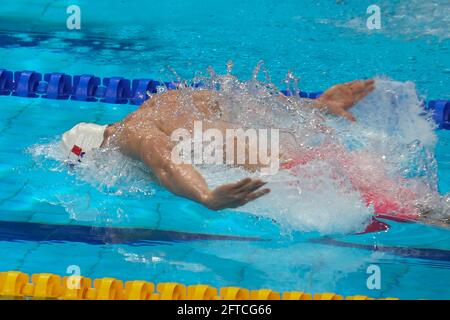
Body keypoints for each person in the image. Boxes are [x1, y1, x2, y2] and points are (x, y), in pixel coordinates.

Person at [61, 79, 375, 211]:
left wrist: (206, 195)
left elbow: (166, 164)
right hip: (319, 156)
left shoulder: (133, 133)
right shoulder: (167, 101)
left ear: (99, 149)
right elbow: (249, 103)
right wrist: (317, 106)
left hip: (301, 177)